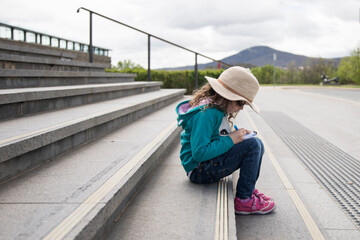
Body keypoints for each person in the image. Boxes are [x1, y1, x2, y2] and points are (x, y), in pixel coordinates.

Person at [175, 66, 275, 215]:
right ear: (227, 96)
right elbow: (199, 153)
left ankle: (248, 187)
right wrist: (231, 140)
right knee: (253, 145)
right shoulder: (206, 114)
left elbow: (219, 133)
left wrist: (236, 134)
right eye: (240, 103)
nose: (241, 109)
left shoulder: (218, 109)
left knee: (256, 142)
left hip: (206, 164)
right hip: (198, 169)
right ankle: (244, 200)